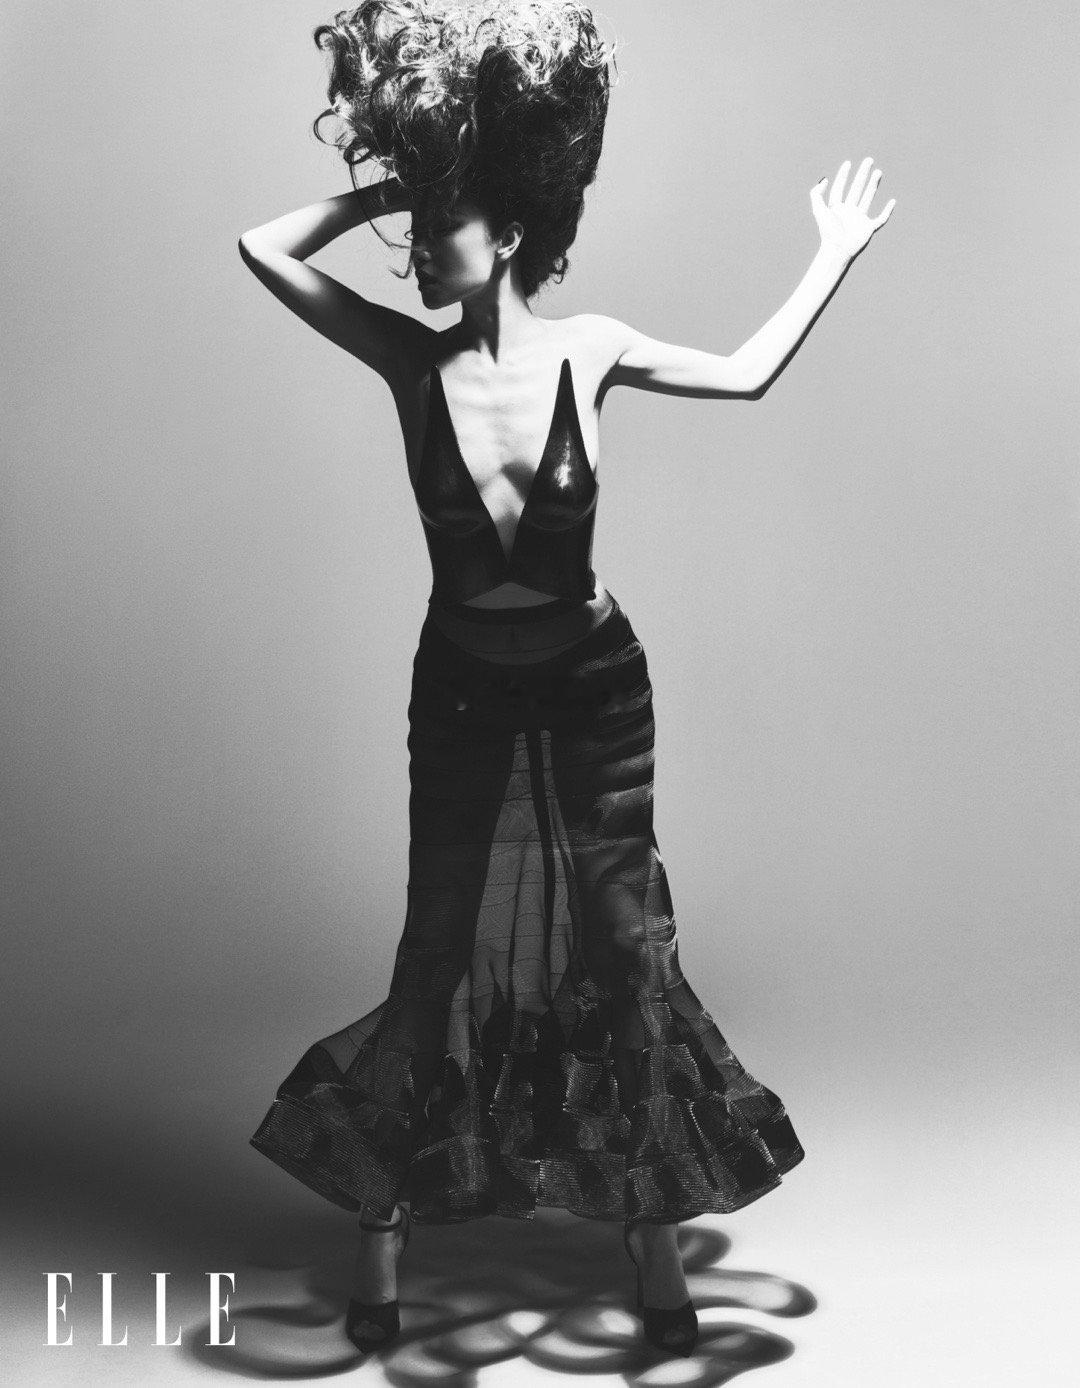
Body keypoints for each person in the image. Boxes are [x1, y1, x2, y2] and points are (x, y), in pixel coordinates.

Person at [239, 0, 894, 1360]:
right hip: (462, 688)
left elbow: (748, 375)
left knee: (620, 944)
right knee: (434, 946)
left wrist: (830, 255)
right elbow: (262, 248)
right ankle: (383, 1234)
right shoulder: (408, 356)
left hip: (596, 690)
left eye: (442, 224)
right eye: (416, 226)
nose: (417, 248)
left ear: (511, 230)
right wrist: (404, 181)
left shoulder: (591, 349)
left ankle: (651, 1241)